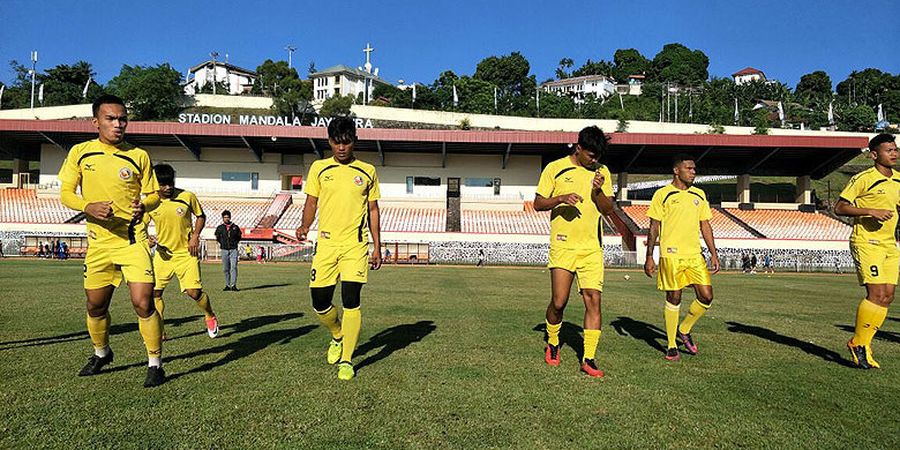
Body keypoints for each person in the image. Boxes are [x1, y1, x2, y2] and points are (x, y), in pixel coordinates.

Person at [57, 94, 165, 387]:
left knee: (143, 303)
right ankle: (101, 353)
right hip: (99, 243)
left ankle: (155, 363)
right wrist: (87, 206)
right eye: (111, 119)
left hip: (133, 241)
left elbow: (154, 195)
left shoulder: (139, 155)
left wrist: (146, 205)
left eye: (123, 119)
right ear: (96, 122)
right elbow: (66, 192)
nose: (118, 124)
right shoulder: (81, 152)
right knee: (95, 306)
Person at [296, 116, 382, 381]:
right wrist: (304, 225)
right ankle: (337, 334)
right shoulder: (319, 168)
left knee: (351, 300)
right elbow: (311, 202)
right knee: (319, 301)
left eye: (346, 142)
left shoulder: (367, 171)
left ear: (354, 141)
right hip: (326, 244)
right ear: (330, 141)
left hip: (355, 245)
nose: (341, 148)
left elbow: (373, 210)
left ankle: (347, 359)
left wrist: (376, 246)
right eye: (336, 142)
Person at [534, 126, 614, 378]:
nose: (595, 160)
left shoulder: (602, 172)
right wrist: (560, 198)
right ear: (578, 148)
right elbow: (538, 203)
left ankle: (588, 358)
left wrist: (598, 191)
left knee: (593, 299)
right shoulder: (555, 168)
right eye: (591, 155)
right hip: (563, 245)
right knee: (559, 303)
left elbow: (607, 210)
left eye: (598, 156)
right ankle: (554, 342)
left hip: (591, 248)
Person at [644, 153, 720, 362]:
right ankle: (671, 345)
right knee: (674, 297)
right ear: (677, 171)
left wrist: (713, 253)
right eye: (689, 168)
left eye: (694, 169)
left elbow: (705, 224)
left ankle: (684, 329)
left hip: (694, 255)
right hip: (671, 255)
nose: (693, 172)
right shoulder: (663, 194)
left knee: (706, 296)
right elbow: (654, 227)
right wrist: (650, 255)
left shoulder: (700, 195)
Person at [834, 133, 900, 369]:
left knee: (887, 296)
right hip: (867, 242)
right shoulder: (863, 178)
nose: (894, 153)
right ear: (874, 155)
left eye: (895, 149)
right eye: (888, 150)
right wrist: (870, 211)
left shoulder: (899, 180)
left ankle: (863, 344)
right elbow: (839, 207)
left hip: (890, 245)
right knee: (876, 294)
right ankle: (858, 343)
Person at [145, 164, 219, 341]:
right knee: (155, 293)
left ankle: (209, 314)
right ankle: (159, 328)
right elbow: (141, 225)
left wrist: (195, 236)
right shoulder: (150, 202)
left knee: (194, 293)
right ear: (155, 183)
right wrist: (147, 237)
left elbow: (200, 216)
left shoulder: (187, 196)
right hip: (163, 255)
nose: (168, 187)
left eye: (170, 183)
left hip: (186, 254)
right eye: (163, 184)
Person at [215, 210, 242, 291]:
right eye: (225, 217)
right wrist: (223, 244)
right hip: (224, 250)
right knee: (226, 268)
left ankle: (233, 285)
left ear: (230, 217)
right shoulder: (220, 228)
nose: (226, 218)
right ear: (222, 218)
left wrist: (234, 244)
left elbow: (239, 237)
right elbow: (218, 237)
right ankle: (227, 285)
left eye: (227, 217)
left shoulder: (235, 227)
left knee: (233, 267)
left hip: (233, 250)